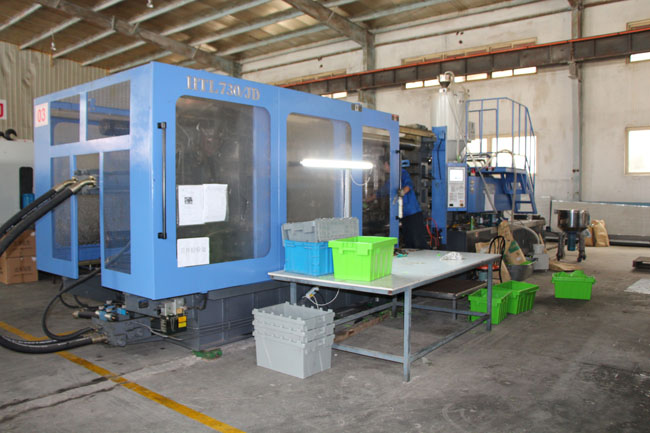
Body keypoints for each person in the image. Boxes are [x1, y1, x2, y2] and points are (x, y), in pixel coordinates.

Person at [367, 156, 429, 249]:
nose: (381, 168)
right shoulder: (391, 180)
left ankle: (425, 257)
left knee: (418, 242)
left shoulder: (402, 173)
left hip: (413, 214)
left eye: (381, 165)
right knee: (409, 242)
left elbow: (408, 185)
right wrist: (367, 199)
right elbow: (382, 192)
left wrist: (402, 192)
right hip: (404, 216)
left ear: (386, 164)